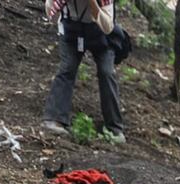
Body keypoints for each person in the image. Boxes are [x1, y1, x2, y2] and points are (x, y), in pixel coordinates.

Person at [42, 0, 126, 144]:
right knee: (67, 68)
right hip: (72, 31)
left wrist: (93, 4)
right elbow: (52, 15)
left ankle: (115, 128)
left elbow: (108, 27)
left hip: (101, 34)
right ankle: (55, 119)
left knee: (106, 72)